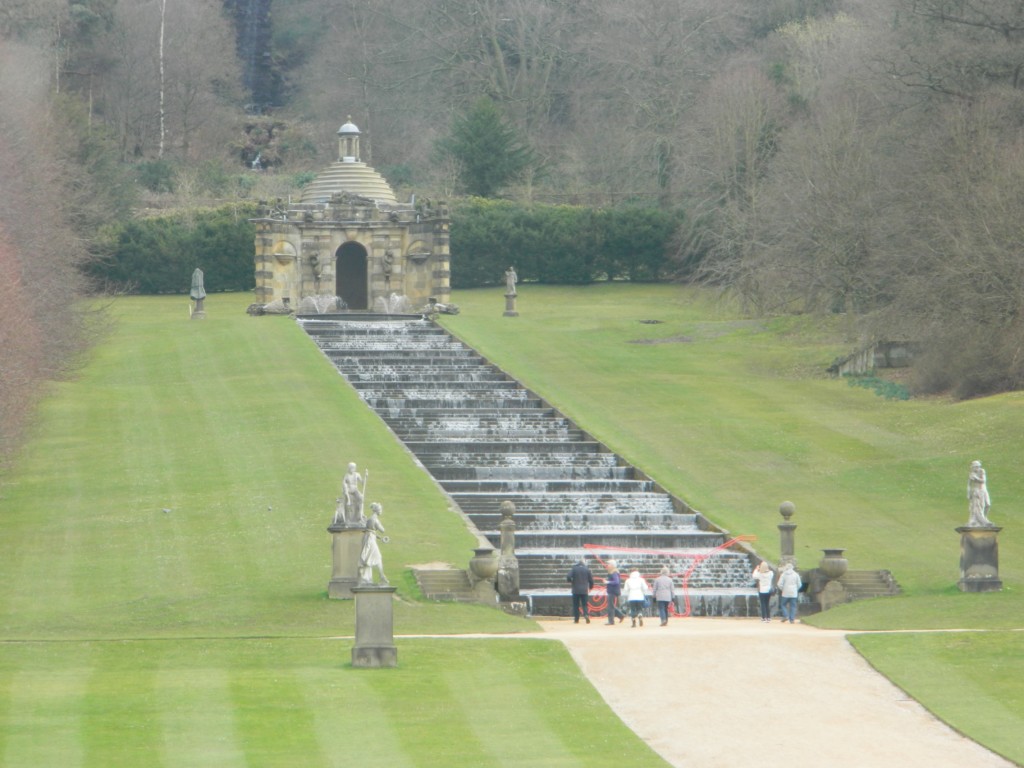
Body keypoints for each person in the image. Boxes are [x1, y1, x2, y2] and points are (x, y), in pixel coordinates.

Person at [358, 502, 388, 584]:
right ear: (377, 510)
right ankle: (381, 576)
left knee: (369, 557)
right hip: (370, 540)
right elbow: (383, 530)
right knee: (378, 557)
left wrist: (379, 538)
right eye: (380, 510)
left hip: (369, 538)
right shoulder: (375, 520)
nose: (381, 511)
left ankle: (368, 577)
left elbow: (370, 531)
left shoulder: (369, 519)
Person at [567, 558, 594, 623]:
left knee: (576, 605)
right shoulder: (587, 569)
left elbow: (568, 576)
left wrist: (571, 581)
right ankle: (586, 615)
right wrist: (590, 588)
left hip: (575, 590)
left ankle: (576, 619)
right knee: (585, 604)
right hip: (584, 590)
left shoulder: (574, 568)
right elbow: (591, 581)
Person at [967, 460, 993, 526]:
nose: (977, 468)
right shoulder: (971, 474)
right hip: (977, 490)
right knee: (978, 506)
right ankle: (980, 520)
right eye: (975, 467)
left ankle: (984, 518)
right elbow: (969, 484)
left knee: (988, 504)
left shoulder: (982, 471)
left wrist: (976, 478)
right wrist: (969, 493)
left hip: (983, 490)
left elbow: (983, 480)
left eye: (978, 467)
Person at [604, 560, 625, 625]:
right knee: (611, 605)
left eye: (608, 564)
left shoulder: (614, 572)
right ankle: (620, 615)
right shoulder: (613, 572)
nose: (607, 565)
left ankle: (611, 621)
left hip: (612, 591)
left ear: (612, 565)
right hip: (612, 590)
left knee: (610, 606)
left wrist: (607, 582)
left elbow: (616, 581)